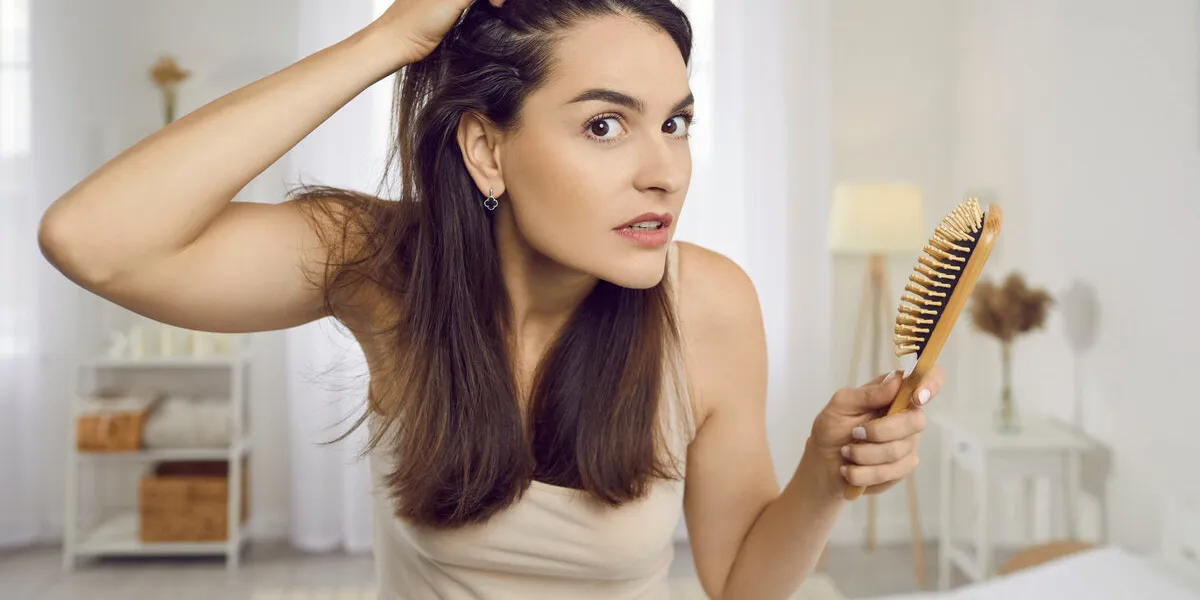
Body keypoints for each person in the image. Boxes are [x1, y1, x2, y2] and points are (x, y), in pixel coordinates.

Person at [37, 0, 944, 597]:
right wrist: (387, 41)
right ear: (487, 150)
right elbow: (95, 241)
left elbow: (740, 584)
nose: (664, 171)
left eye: (675, 122)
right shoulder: (384, 269)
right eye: (604, 124)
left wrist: (826, 475)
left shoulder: (709, 307)